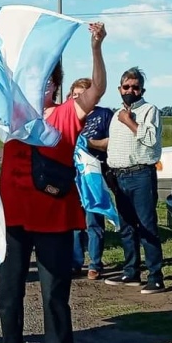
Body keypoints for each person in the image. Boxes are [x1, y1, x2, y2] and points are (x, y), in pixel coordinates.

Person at [0, 12, 107, 343]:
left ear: (54, 86)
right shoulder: (10, 115)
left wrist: (95, 47)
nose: (36, 85)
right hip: (15, 219)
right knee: (9, 290)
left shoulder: (64, 114)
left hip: (54, 220)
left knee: (53, 294)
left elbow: (96, 90)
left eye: (45, 80)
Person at [103, 67, 165, 294]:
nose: (130, 90)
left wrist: (129, 121)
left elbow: (150, 139)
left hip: (141, 174)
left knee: (147, 226)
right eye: (126, 87)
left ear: (142, 90)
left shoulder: (150, 111)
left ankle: (156, 276)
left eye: (135, 87)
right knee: (127, 226)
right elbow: (113, 144)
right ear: (119, 89)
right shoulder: (115, 114)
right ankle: (131, 271)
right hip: (120, 176)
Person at [68, 78, 114, 280]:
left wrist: (90, 143)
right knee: (75, 221)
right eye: (74, 94)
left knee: (93, 219)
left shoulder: (104, 115)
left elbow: (112, 142)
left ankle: (95, 263)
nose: (77, 98)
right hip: (72, 174)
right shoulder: (68, 115)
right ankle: (75, 262)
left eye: (81, 94)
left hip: (93, 174)